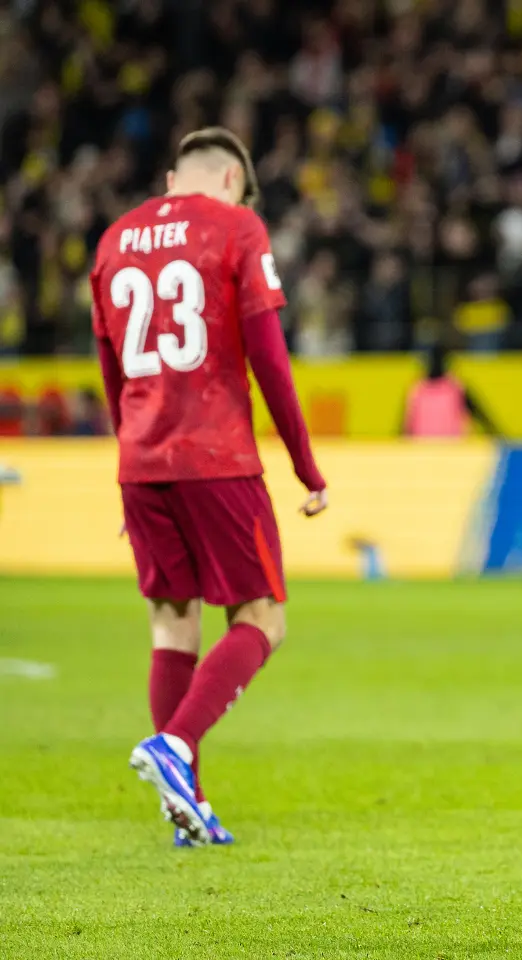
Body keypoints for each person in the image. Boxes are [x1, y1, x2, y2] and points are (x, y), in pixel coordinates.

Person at [89, 127, 328, 847]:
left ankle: (185, 807)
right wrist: (305, 467)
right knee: (263, 618)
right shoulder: (237, 227)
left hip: (142, 460)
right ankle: (177, 747)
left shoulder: (113, 240)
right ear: (230, 181)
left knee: (172, 626)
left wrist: (130, 458)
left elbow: (111, 371)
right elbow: (269, 358)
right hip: (218, 456)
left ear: (172, 178)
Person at [402, 345, 501, 438]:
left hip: (424, 445)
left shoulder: (416, 389)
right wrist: (497, 434)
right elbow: (479, 415)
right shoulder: (455, 387)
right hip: (450, 446)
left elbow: (406, 425)